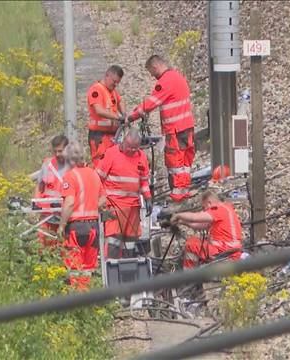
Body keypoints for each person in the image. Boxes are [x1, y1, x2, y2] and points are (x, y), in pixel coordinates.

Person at [128, 55, 195, 202]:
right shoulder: (178, 76)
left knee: (174, 160)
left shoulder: (165, 81)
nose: (153, 77)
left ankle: (178, 192)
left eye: (152, 73)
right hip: (187, 125)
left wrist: (132, 116)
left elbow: (151, 103)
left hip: (174, 128)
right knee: (185, 160)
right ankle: (184, 190)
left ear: (155, 66)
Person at [96, 128, 152, 259]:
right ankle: (111, 272)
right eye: (130, 147)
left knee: (130, 244)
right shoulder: (111, 153)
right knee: (113, 242)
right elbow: (97, 178)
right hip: (114, 206)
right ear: (123, 142)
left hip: (132, 207)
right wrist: (102, 198)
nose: (132, 150)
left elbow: (144, 182)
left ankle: (128, 274)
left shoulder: (142, 156)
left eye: (135, 148)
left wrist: (148, 198)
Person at [57, 141, 106, 289]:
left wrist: (61, 225)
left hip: (76, 228)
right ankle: (87, 300)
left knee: (75, 269)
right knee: (88, 269)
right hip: (93, 227)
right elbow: (103, 199)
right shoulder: (94, 174)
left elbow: (70, 202)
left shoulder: (70, 176)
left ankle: (78, 302)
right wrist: (91, 205)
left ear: (70, 159)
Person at [171, 190, 243, 269]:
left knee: (191, 245)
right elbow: (199, 225)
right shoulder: (226, 209)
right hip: (230, 250)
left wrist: (178, 215)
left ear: (209, 203)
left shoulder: (218, 210)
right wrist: (182, 222)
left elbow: (195, 218)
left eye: (204, 207)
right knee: (194, 241)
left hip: (225, 252)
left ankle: (189, 275)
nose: (205, 210)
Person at [87, 65, 127, 168]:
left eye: (118, 82)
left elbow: (120, 101)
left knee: (112, 165)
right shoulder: (96, 89)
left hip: (112, 136)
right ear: (107, 75)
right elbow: (98, 110)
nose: (115, 84)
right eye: (114, 81)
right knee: (99, 165)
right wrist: (118, 117)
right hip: (99, 136)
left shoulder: (112, 91)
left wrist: (124, 113)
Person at [34, 135, 69, 249]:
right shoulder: (47, 164)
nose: (58, 154)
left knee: (63, 246)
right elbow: (40, 187)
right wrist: (35, 205)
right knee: (43, 245)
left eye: (60, 151)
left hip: (64, 215)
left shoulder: (73, 167)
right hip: (46, 214)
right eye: (55, 151)